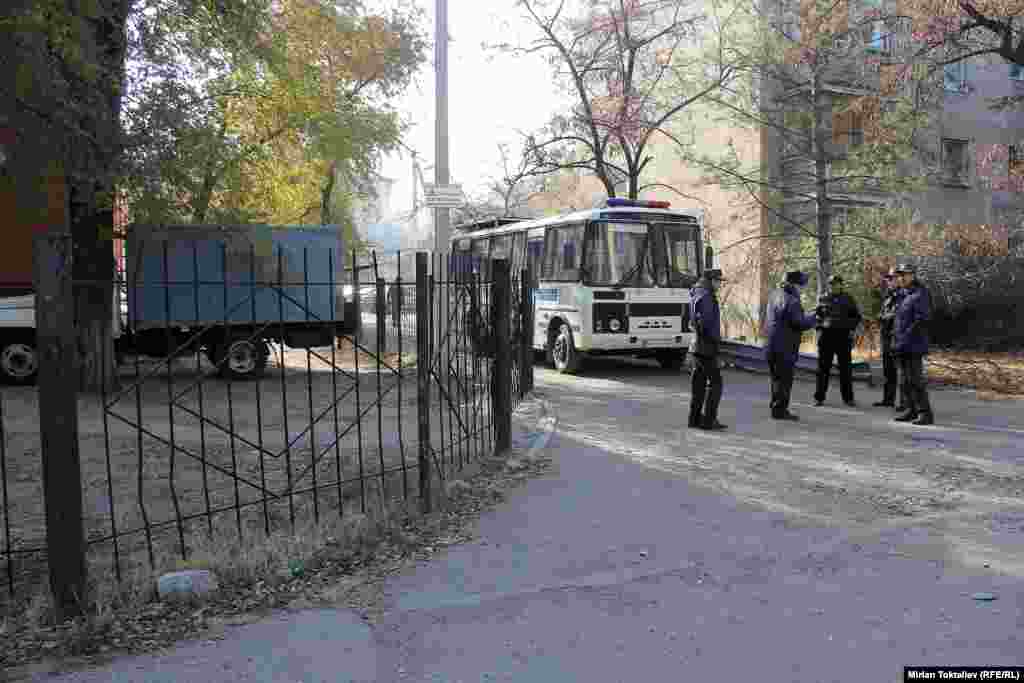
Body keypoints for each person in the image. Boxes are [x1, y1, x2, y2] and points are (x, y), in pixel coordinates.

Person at [764, 270, 818, 420]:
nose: (803, 288)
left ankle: (776, 408)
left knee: (776, 379)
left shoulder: (775, 295)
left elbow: (788, 318)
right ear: (795, 285)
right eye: (802, 285)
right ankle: (780, 410)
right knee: (785, 380)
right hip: (785, 346)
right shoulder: (792, 300)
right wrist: (815, 316)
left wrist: (810, 315)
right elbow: (799, 323)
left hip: (771, 344)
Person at [891, 263, 934, 425]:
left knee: (916, 380)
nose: (901, 278)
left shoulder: (920, 293)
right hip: (901, 344)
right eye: (900, 275)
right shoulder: (903, 294)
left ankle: (925, 413)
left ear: (913, 275)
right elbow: (899, 320)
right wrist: (896, 340)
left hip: (914, 344)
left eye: (905, 274)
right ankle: (911, 410)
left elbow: (921, 319)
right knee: (905, 381)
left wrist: (905, 338)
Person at [813, 274, 862, 407]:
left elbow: (856, 317)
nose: (833, 286)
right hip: (826, 337)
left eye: (836, 284)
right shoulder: (823, 298)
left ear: (841, 285)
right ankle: (819, 398)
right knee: (822, 369)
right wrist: (819, 326)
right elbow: (817, 316)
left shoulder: (848, 299)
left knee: (845, 370)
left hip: (843, 337)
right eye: (831, 284)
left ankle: (848, 398)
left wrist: (849, 327)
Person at [688, 268, 727, 431]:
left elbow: (694, 322)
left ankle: (694, 419)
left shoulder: (696, 293)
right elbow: (706, 324)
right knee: (716, 383)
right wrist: (715, 345)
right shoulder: (707, 296)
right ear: (711, 281)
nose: (720, 285)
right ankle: (709, 420)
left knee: (699, 384)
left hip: (696, 345)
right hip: (706, 346)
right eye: (718, 281)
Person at [873, 269, 906, 410]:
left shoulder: (903, 295)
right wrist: (880, 317)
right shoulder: (888, 296)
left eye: (892, 278)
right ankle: (888, 399)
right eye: (888, 279)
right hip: (886, 336)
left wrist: (885, 317)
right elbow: (884, 313)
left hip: (897, 337)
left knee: (903, 371)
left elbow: (899, 314)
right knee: (888, 370)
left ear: (898, 279)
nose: (889, 281)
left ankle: (905, 403)